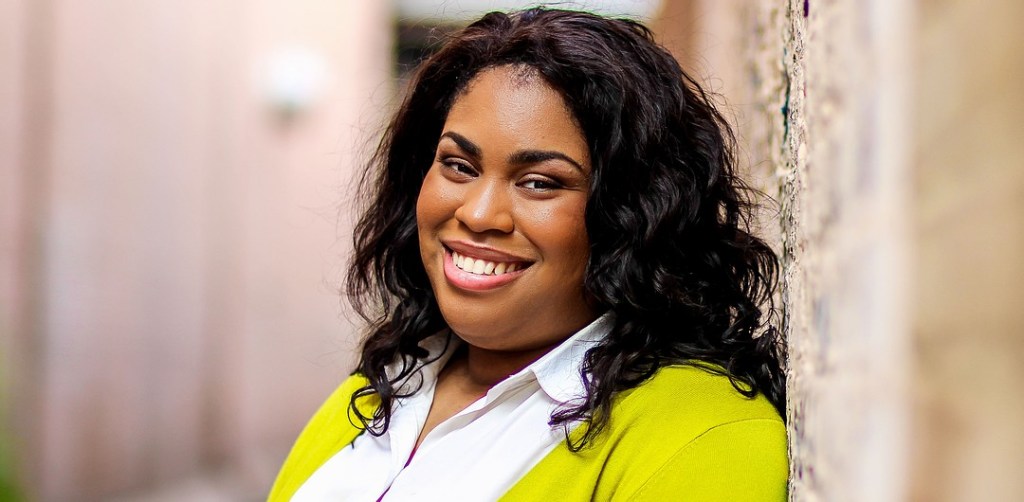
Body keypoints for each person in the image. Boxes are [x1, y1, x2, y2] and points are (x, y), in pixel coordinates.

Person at [269, 8, 787, 501]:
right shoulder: (383, 387)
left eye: (539, 182)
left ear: (636, 213)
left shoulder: (700, 436)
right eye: (459, 166)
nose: (478, 214)